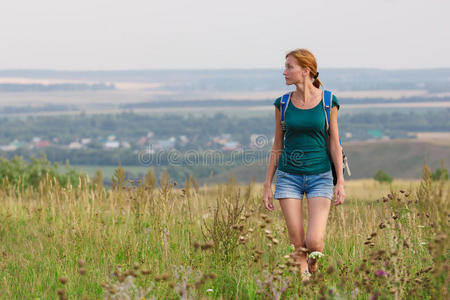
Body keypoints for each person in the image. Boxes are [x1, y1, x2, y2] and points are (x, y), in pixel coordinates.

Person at [262, 48, 346, 280]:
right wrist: (267, 184)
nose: (284, 72)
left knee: (314, 242)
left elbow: (335, 145)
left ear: (305, 70)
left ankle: (313, 267)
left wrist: (340, 182)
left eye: (289, 67)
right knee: (298, 243)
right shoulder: (283, 104)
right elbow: (277, 144)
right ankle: (305, 286)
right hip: (288, 177)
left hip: (320, 176)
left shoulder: (329, 101)